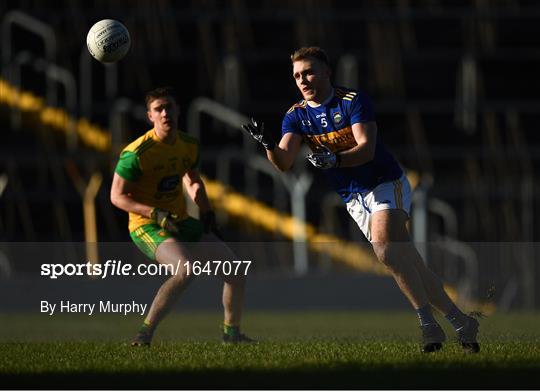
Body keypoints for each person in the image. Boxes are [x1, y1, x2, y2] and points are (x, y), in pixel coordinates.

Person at [241, 47, 479, 353]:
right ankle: (461, 322)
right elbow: (284, 161)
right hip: (354, 197)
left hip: (385, 182)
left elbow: (366, 149)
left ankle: (427, 324)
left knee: (384, 250)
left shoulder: (352, 101)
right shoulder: (296, 115)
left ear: (327, 72)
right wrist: (269, 145)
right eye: (297, 76)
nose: (303, 80)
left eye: (309, 72)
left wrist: (334, 160)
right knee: (408, 262)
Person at [111, 86, 253, 346]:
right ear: (150, 116)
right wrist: (153, 212)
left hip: (178, 219)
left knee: (235, 271)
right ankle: (144, 334)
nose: (165, 113)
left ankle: (231, 336)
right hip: (146, 225)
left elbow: (193, 180)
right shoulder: (136, 153)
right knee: (185, 269)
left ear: (178, 111)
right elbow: (117, 196)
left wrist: (207, 211)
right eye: (159, 109)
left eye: (169, 107)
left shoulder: (188, 145)